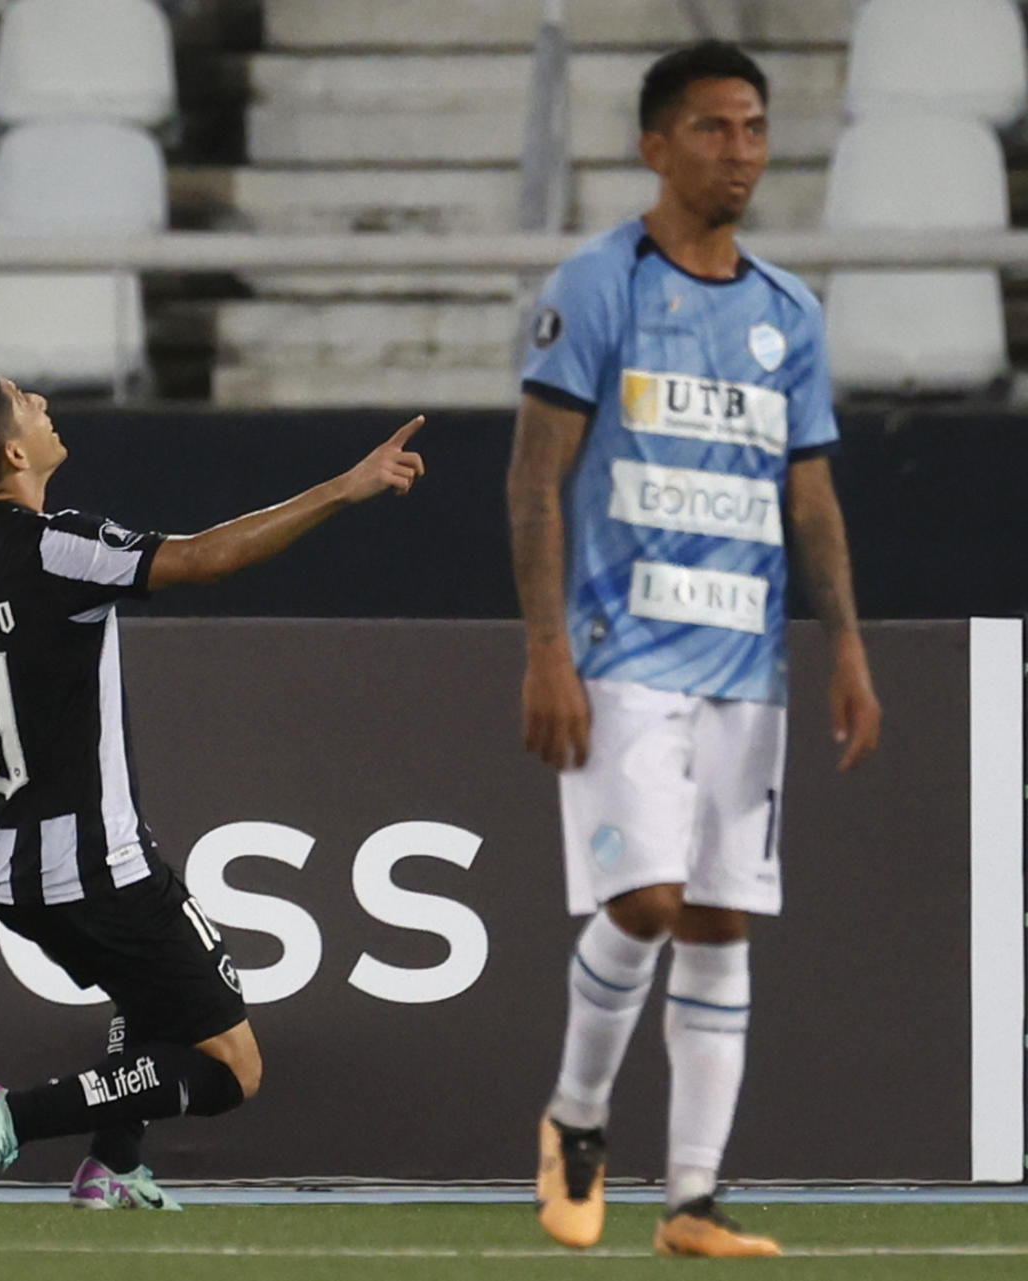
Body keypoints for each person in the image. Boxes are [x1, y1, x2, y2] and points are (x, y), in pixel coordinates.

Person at [0, 363, 426, 1209]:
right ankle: (8, 1117)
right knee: (231, 1068)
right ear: (15, 450)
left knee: (147, 994)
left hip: (7, 869)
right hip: (97, 867)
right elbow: (200, 559)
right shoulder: (54, 545)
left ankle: (112, 1165)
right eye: (27, 400)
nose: (46, 402)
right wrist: (345, 488)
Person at [507, 40, 881, 1259]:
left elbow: (810, 496)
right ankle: (576, 1120)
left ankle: (692, 1200)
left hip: (749, 667)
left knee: (720, 921)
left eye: (757, 129)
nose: (741, 152)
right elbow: (535, 477)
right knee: (648, 899)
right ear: (655, 143)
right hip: (622, 657)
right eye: (716, 129)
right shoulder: (600, 284)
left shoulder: (789, 315)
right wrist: (546, 651)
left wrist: (849, 651)